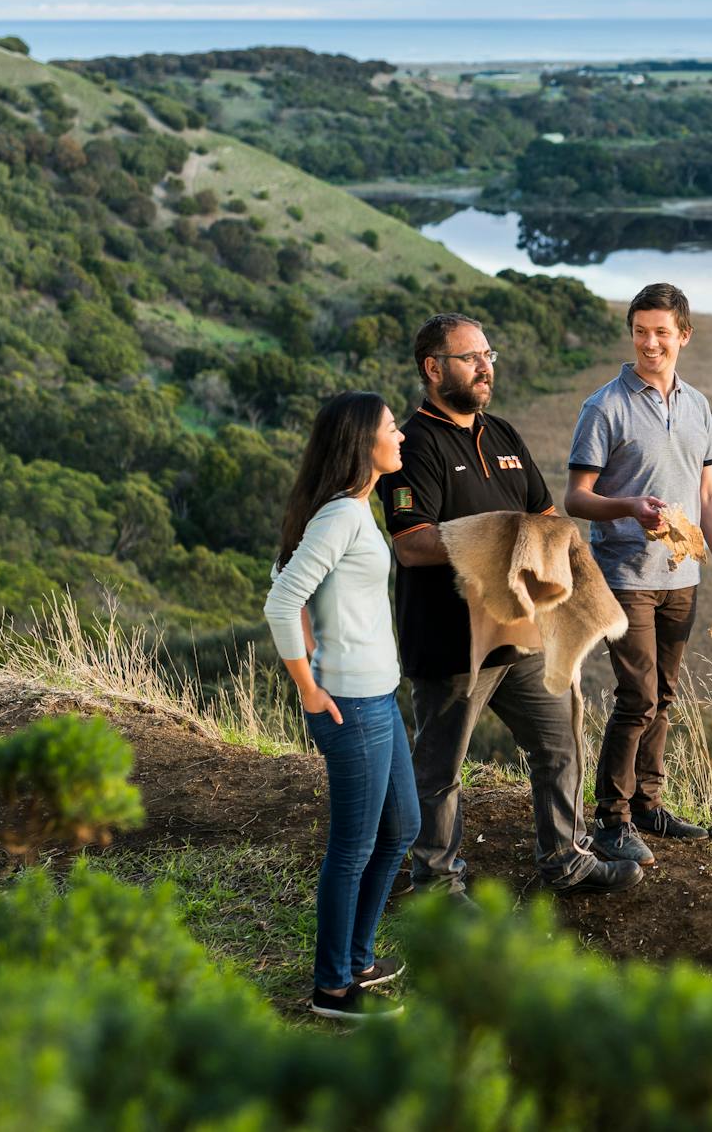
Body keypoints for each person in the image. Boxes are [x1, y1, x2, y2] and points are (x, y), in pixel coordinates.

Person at [378, 313, 640, 898]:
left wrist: (547, 547)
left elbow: (547, 520)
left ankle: (565, 859)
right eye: (471, 357)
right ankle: (437, 885)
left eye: (488, 355)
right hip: (451, 645)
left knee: (559, 743)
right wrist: (504, 533)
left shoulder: (502, 434)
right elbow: (413, 545)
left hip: (520, 633)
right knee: (440, 771)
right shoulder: (412, 445)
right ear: (433, 367)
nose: (485, 367)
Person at [566, 283, 712, 866]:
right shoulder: (604, 407)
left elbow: (709, 496)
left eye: (661, 332)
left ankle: (647, 804)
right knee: (637, 695)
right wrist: (628, 507)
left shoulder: (697, 405)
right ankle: (611, 820)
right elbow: (575, 497)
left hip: (683, 578)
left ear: (684, 336)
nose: (650, 343)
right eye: (641, 331)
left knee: (663, 695)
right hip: (623, 575)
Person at [264, 391, 418, 1022]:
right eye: (391, 429)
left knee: (401, 827)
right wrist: (309, 685)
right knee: (352, 848)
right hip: (350, 703)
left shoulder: (352, 510)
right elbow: (280, 601)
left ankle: (356, 958)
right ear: (363, 443)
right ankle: (332, 988)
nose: (401, 437)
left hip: (377, 695)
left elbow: (283, 578)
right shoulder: (342, 518)